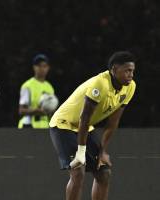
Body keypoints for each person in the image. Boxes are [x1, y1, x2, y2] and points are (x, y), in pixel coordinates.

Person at [49, 51, 136, 200]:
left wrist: (102, 151)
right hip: (64, 125)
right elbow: (85, 117)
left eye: (132, 71)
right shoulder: (100, 84)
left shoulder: (130, 87)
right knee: (78, 171)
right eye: (127, 70)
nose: (131, 74)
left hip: (84, 128)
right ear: (114, 70)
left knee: (104, 173)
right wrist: (81, 152)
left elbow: (112, 123)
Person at [18, 54, 55, 129]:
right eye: (39, 66)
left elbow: (51, 111)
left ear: (48, 68)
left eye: (44, 66)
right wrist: (37, 110)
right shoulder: (27, 85)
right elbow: (21, 111)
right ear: (34, 67)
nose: (42, 68)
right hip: (28, 126)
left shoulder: (49, 87)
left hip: (45, 127)